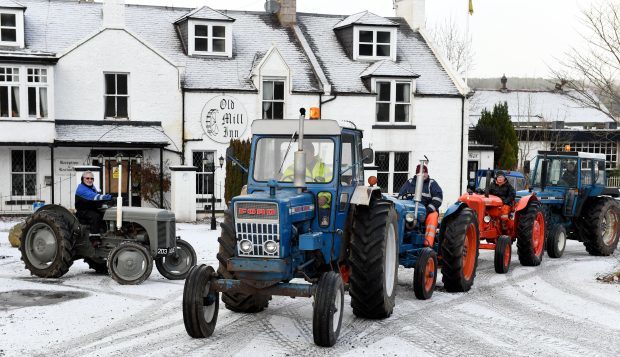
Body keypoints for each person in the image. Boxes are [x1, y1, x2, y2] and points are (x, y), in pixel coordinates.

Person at [398, 164, 443, 247]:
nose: (423, 174)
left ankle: (428, 243)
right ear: (416, 174)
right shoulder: (410, 182)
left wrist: (429, 208)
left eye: (425, 172)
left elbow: (438, 198)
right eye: (420, 173)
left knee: (433, 217)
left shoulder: (431, 183)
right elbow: (400, 196)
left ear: (427, 173)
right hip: (410, 210)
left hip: (428, 210)